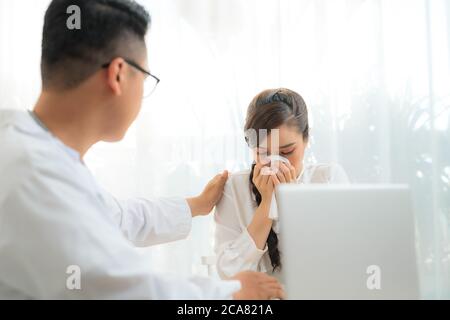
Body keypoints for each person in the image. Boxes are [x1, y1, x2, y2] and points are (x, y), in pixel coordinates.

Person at [0, 0, 284, 299]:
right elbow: (121, 291)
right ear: (118, 74)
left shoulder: (30, 149)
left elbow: (119, 217)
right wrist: (232, 294)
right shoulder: (34, 174)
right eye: (146, 78)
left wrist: (195, 205)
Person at [214, 88, 349, 280]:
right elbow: (229, 274)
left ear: (306, 138)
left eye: (286, 152)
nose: (275, 163)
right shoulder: (234, 187)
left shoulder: (327, 179)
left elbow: (336, 264)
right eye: (263, 153)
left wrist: (292, 202)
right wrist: (267, 204)